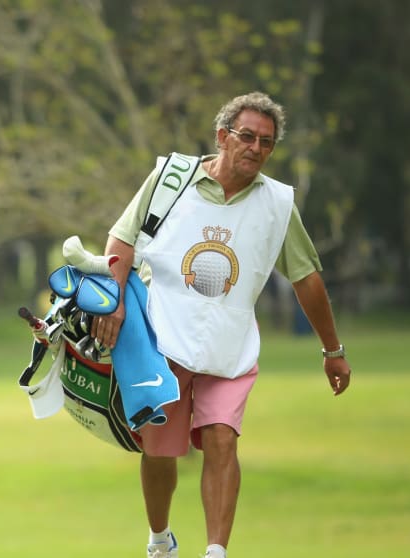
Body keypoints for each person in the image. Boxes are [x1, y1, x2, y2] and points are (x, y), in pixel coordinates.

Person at [91, 91, 352, 558]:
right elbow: (122, 241)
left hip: (230, 350)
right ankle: (159, 539)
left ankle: (216, 551)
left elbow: (306, 277)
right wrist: (114, 305)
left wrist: (332, 350)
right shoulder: (171, 178)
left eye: (266, 142)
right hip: (162, 341)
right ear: (222, 136)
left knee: (221, 439)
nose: (255, 148)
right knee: (160, 452)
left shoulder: (277, 203)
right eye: (247, 136)